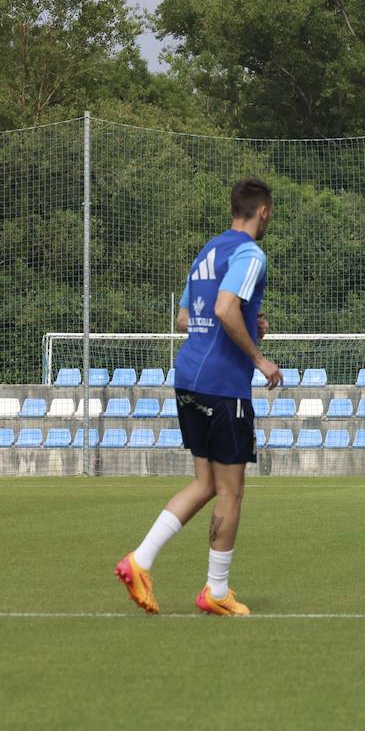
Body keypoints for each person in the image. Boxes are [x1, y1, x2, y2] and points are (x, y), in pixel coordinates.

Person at [115, 178, 283, 615]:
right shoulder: (251, 254)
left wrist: (246, 322)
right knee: (231, 491)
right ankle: (217, 591)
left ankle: (140, 560)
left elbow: (186, 318)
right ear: (263, 211)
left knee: (205, 484)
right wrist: (261, 359)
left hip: (188, 376)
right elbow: (226, 309)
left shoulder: (209, 251)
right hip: (223, 385)